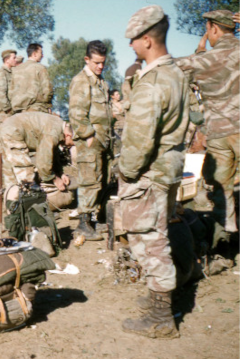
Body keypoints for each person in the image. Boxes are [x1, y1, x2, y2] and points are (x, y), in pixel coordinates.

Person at [119, 5, 190, 339]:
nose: (131, 45)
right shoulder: (176, 73)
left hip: (149, 173)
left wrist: (126, 172)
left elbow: (138, 140)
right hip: (170, 167)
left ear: (147, 39)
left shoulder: (153, 80)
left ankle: (162, 317)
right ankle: (156, 300)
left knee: (149, 241)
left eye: (134, 40)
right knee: (158, 235)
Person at [175, 10, 239, 253]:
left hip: (220, 134)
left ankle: (226, 241)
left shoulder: (207, 59)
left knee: (222, 189)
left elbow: (177, 68)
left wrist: (199, 52)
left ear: (212, 28)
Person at [68, 40, 112, 240]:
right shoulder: (81, 81)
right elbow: (77, 113)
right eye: (96, 63)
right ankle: (83, 224)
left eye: (103, 62)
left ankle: (95, 220)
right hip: (90, 142)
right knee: (89, 181)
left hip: (103, 141)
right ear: (87, 59)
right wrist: (88, 136)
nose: (101, 66)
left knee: (102, 180)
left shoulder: (102, 82)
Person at [0, 111, 74, 189]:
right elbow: (43, 159)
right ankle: (27, 195)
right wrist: (54, 179)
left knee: (10, 168)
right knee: (24, 170)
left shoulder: (58, 126)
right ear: (68, 135)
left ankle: (11, 195)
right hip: (14, 131)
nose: (68, 147)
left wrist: (60, 173)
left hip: (9, 127)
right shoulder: (54, 133)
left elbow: (52, 153)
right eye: (70, 144)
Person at [9, 43, 53, 114]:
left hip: (18, 112)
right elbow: (48, 90)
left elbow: (10, 92)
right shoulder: (40, 68)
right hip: (37, 110)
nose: (43, 55)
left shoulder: (15, 70)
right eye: (41, 53)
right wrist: (48, 106)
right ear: (34, 54)